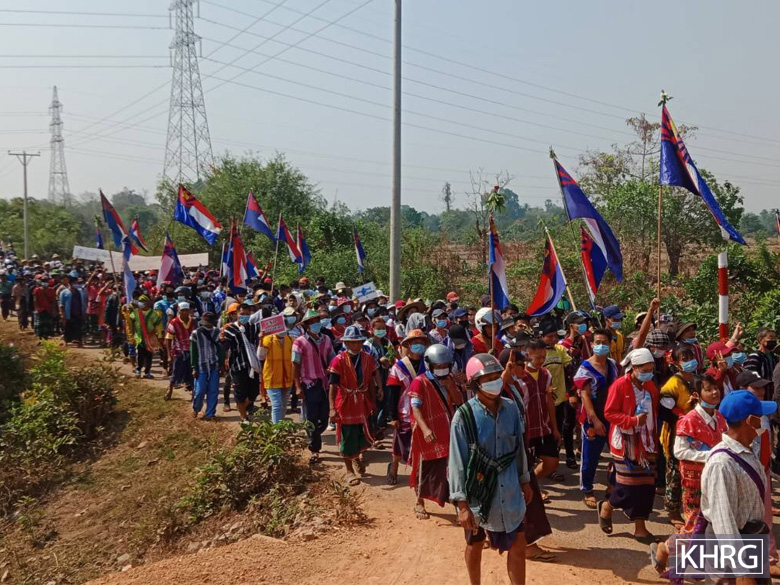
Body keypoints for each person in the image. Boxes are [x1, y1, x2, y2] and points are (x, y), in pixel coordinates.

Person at [449, 353, 532, 585]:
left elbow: (519, 448)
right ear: (475, 383)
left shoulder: (511, 409)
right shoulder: (463, 417)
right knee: (475, 545)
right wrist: (462, 506)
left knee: (518, 545)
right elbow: (457, 462)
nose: (495, 382)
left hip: (510, 490)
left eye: (497, 377)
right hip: (480, 494)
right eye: (488, 379)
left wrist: (525, 481)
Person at [650, 374, 727, 574]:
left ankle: (700, 565)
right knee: (694, 526)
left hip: (716, 480)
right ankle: (665, 549)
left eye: (716, 388)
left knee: (713, 525)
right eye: (709, 389)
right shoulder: (688, 420)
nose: (715, 392)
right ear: (697, 395)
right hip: (695, 483)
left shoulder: (720, 418)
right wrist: (710, 455)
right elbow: (679, 451)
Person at [700, 390, 776, 579]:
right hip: (731, 553)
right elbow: (723, 520)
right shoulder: (722, 463)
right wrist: (742, 572)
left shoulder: (747, 452)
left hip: (750, 542)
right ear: (750, 421)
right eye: (760, 417)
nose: (763, 422)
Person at [598, 348, 659, 543]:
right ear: (634, 368)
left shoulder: (650, 386)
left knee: (646, 486)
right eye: (644, 370)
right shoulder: (620, 385)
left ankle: (640, 528)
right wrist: (632, 420)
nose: (648, 373)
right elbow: (609, 413)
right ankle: (607, 506)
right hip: (625, 442)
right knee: (627, 487)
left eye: (651, 369)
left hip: (647, 442)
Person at [409, 344, 461, 519]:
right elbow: (415, 408)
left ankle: (456, 503)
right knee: (424, 466)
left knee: (449, 468)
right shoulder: (419, 382)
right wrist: (425, 429)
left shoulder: (449, 379)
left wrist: (450, 386)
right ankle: (419, 501)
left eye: (445, 366)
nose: (442, 369)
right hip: (427, 432)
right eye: (439, 366)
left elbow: (458, 401)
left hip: (447, 430)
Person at [573, 328, 618, 509]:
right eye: (597, 342)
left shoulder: (613, 365)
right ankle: (587, 489)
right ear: (591, 344)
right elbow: (585, 397)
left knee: (618, 453)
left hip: (613, 417)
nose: (601, 345)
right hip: (593, 419)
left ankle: (613, 483)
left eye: (604, 342)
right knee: (590, 456)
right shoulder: (585, 369)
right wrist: (596, 420)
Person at [328, 325, 378, 486]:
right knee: (347, 435)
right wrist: (332, 408)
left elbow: (371, 380)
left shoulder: (368, 358)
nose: (355, 345)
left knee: (361, 433)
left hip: (362, 400)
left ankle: (356, 457)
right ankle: (349, 470)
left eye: (358, 342)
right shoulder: (338, 360)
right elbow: (333, 386)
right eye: (352, 342)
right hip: (345, 401)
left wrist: (373, 400)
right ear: (346, 343)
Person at [659, 344, 699, 528]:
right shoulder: (673, 384)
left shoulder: (697, 379)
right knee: (675, 473)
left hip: (697, 433)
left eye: (691, 357)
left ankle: (692, 509)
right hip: (677, 433)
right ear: (675, 362)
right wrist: (685, 415)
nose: (689, 361)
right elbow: (665, 411)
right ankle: (672, 510)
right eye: (684, 359)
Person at [386, 328, 429, 485]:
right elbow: (392, 393)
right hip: (404, 412)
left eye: (421, 342)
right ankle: (394, 465)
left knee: (422, 446)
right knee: (401, 444)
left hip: (425, 411)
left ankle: (418, 473)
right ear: (408, 345)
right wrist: (392, 416)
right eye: (415, 342)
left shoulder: (429, 364)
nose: (418, 345)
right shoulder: (398, 367)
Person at [293, 309, 335, 463]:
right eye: (312, 322)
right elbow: (295, 365)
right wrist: (297, 386)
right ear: (307, 325)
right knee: (312, 417)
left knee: (324, 417)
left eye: (317, 321)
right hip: (309, 383)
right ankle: (314, 449)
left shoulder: (326, 339)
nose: (316, 324)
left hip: (325, 383)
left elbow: (332, 359)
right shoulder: (299, 342)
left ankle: (314, 435)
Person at [519, 339, 562, 482]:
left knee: (552, 462)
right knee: (525, 465)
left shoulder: (546, 374)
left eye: (544, 357)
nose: (542, 360)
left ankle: (533, 484)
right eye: (538, 357)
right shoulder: (519, 377)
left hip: (544, 428)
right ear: (527, 355)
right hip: (526, 430)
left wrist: (554, 428)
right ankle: (530, 489)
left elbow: (549, 401)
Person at [541, 322, 575, 473]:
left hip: (560, 399)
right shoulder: (539, 352)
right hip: (543, 400)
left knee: (558, 431)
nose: (554, 339)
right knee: (546, 433)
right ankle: (548, 465)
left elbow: (569, 367)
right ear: (542, 337)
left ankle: (554, 463)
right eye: (550, 336)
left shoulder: (560, 350)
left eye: (555, 336)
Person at [221, 301, 261, 423]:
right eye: (242, 314)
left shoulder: (254, 328)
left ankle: (243, 406)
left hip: (252, 365)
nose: (245, 316)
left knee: (254, 391)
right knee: (240, 392)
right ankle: (243, 417)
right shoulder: (229, 329)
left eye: (247, 314)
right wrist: (222, 341)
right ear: (237, 314)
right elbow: (225, 347)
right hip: (238, 365)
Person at [258, 314, 295, 424]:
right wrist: (260, 340)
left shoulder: (291, 340)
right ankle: (276, 429)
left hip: (287, 378)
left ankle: (280, 426)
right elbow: (260, 356)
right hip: (272, 378)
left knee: (283, 406)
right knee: (277, 405)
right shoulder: (268, 339)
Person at [190, 312, 224, 421]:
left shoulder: (217, 332)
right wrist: (194, 367)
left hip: (214, 365)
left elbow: (220, 350)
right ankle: (196, 408)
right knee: (200, 390)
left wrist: (221, 365)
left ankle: (210, 413)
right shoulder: (196, 333)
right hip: (201, 366)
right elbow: (193, 352)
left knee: (213, 391)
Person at [164, 301, 195, 400]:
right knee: (176, 371)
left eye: (186, 310)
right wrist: (169, 355)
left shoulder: (194, 322)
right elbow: (168, 339)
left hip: (192, 351)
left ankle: (193, 392)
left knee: (192, 372)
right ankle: (170, 388)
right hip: (179, 351)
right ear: (179, 311)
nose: (185, 312)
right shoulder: (174, 322)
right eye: (182, 310)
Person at [129, 294, 162, 379]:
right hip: (139, 337)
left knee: (149, 355)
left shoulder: (153, 313)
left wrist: (158, 333)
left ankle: (147, 372)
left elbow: (158, 324)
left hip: (149, 338)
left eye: (143, 301)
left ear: (147, 303)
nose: (141, 303)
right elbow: (132, 322)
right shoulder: (136, 312)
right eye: (140, 301)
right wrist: (132, 334)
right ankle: (138, 370)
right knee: (140, 355)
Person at [58, 272, 87, 347]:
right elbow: (61, 304)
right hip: (68, 313)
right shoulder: (64, 292)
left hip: (78, 313)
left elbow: (84, 302)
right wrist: (62, 314)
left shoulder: (80, 292)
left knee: (78, 328)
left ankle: (79, 342)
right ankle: (66, 342)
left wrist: (84, 312)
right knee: (67, 328)